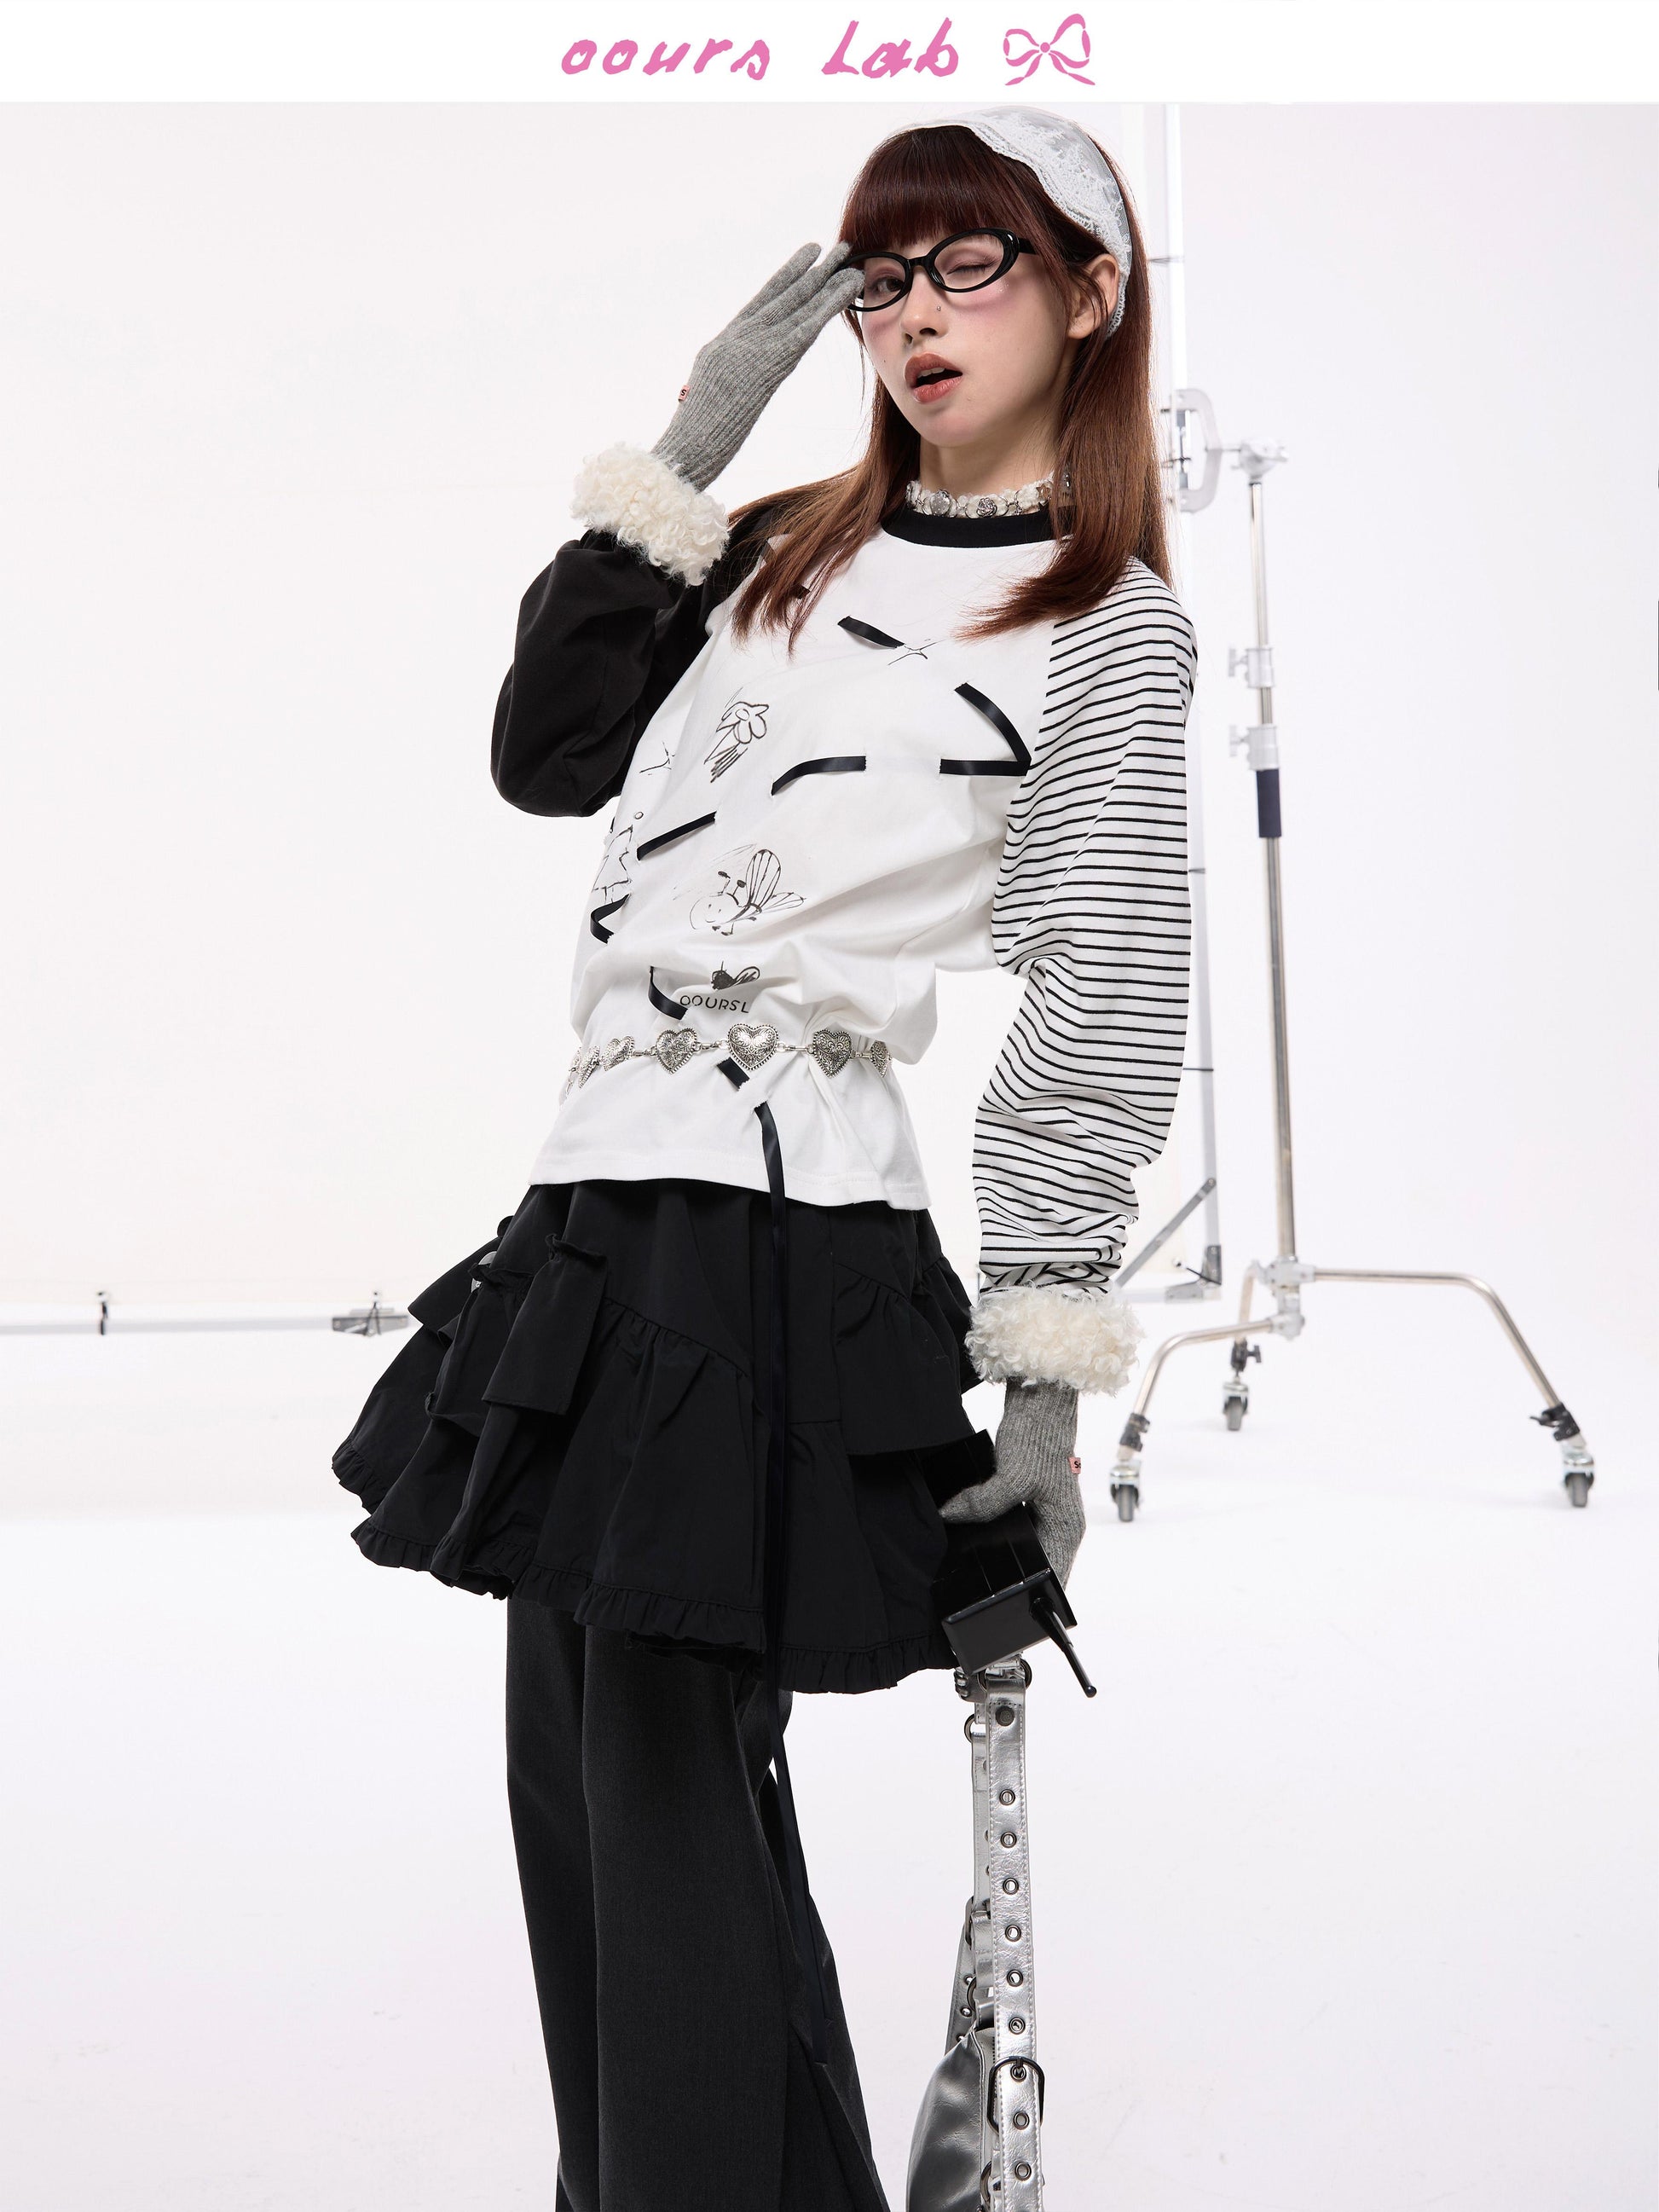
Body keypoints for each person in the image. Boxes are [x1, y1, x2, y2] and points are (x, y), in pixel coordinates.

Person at [333, 105, 1197, 2212]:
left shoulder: (1104, 625)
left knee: (660, 1782)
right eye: (883, 278)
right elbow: (549, 759)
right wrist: (681, 458)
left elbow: (1097, 990)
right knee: (585, 1776)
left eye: (971, 264)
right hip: (597, 1195)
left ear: (1091, 294)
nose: (914, 314)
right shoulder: (774, 543)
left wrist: (1046, 1380)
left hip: (776, 1213)